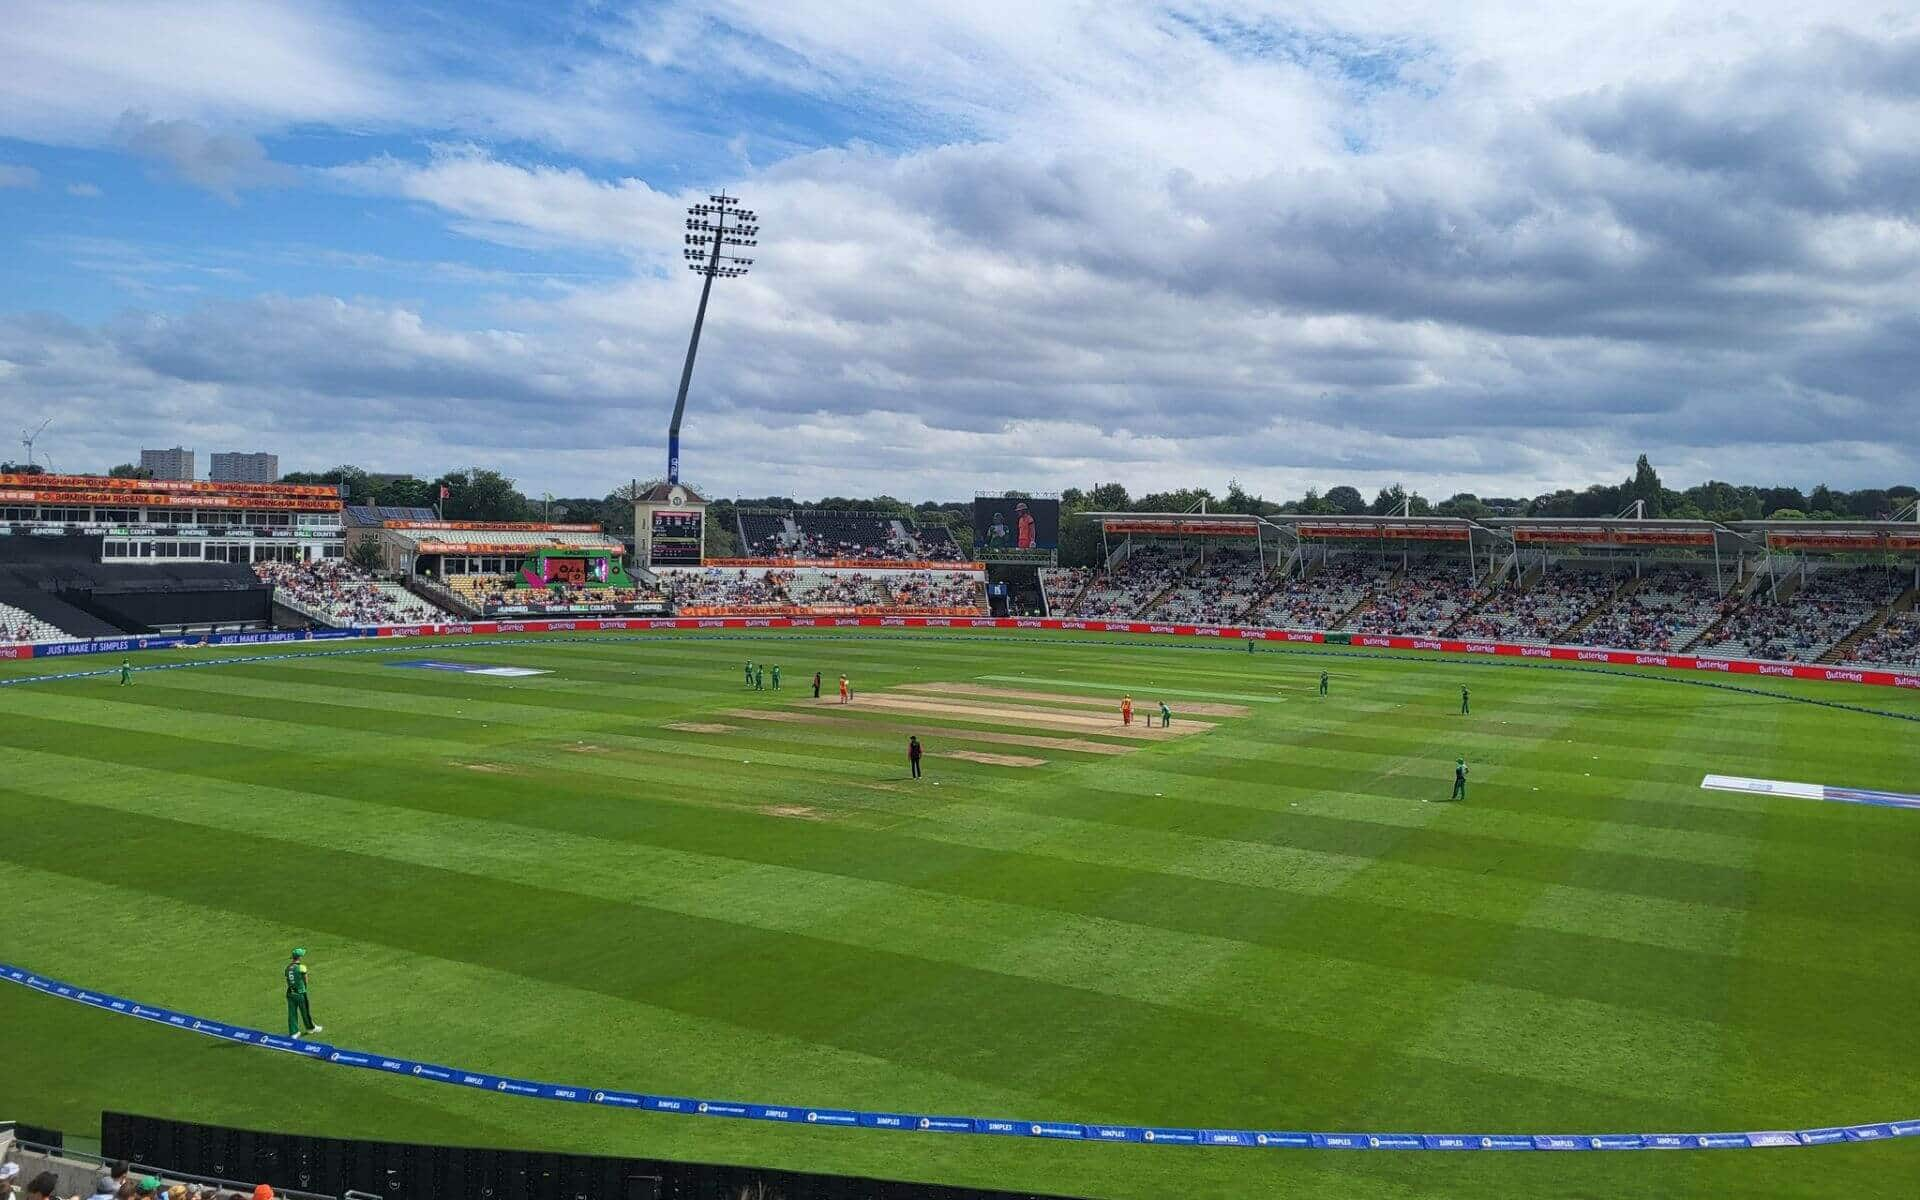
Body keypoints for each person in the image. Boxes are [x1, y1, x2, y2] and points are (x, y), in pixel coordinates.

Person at [285, 946, 321, 1038]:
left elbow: (288, 980)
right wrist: (304, 988)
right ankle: (310, 1028)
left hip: (290, 993)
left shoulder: (288, 968)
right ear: (300, 957)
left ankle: (294, 1033)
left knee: (292, 1013)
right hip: (300, 993)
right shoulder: (302, 967)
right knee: (305, 1011)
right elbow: (305, 980)